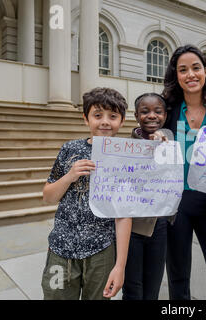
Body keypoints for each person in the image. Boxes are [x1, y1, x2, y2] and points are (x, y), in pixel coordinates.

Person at [41, 87, 132, 300]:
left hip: (101, 250)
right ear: (86, 119)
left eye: (113, 116)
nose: (105, 122)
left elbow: (124, 214)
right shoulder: (69, 149)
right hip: (61, 249)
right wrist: (70, 176)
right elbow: (48, 196)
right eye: (97, 115)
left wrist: (120, 266)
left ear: (122, 120)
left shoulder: (125, 157)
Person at [162, 44, 206, 300]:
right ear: (176, 75)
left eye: (195, 68)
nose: (190, 74)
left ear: (205, 71)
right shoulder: (167, 111)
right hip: (175, 201)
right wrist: (148, 135)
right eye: (183, 70)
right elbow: (142, 130)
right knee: (178, 271)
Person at [122, 92, 171, 300]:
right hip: (131, 226)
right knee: (133, 287)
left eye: (157, 111)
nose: (152, 116)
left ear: (165, 115)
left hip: (158, 225)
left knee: (153, 285)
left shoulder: (169, 140)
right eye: (145, 111)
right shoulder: (124, 147)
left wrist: (162, 144)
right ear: (136, 116)